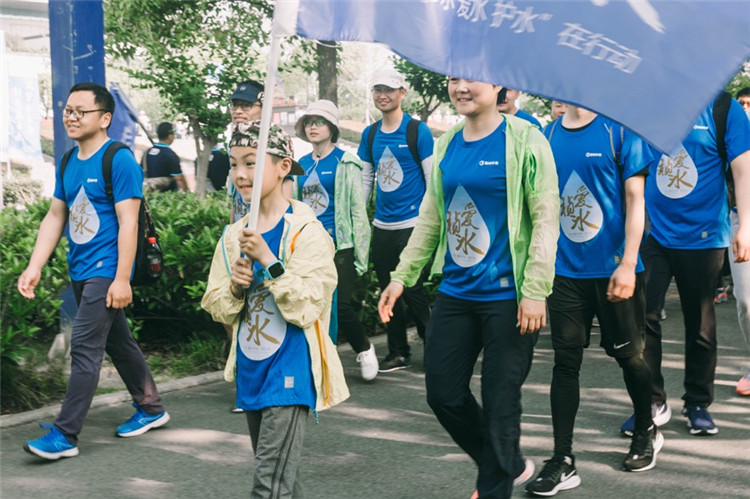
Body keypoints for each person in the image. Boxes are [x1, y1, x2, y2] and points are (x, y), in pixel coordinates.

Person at [379, 77, 559, 499]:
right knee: (443, 394)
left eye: (470, 77)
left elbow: (546, 218)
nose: (460, 87)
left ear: (496, 85)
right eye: (453, 79)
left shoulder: (525, 139)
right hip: (457, 293)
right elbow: (431, 219)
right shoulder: (447, 144)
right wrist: (401, 277)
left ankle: (494, 485)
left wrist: (536, 289)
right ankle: (506, 464)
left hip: (509, 298)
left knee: (500, 405)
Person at [18, 82, 169, 460]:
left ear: (104, 118)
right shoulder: (68, 160)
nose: (71, 117)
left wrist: (121, 278)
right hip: (81, 269)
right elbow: (56, 215)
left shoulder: (119, 159)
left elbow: (129, 222)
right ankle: (151, 407)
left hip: (107, 269)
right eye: (67, 110)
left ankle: (65, 434)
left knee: (85, 348)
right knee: (118, 341)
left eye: (80, 111)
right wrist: (35, 265)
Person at [201, 121, 349, 497]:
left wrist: (270, 261)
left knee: (268, 486)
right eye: (234, 164)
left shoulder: (307, 232)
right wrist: (235, 287)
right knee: (283, 482)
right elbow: (216, 305)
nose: (240, 174)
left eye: (251, 163)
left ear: (284, 166)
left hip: (290, 370)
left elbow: (309, 305)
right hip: (251, 368)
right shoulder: (233, 236)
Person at [525, 106, 659, 497]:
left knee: (630, 357)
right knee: (565, 362)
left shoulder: (621, 133)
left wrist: (629, 263)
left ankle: (645, 429)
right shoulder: (547, 137)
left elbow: (636, 200)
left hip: (614, 269)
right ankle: (562, 458)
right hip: (565, 273)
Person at [622, 92, 750, 435]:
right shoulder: (646, 105)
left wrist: (746, 226)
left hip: (704, 235)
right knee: (643, 316)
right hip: (654, 233)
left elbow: (743, 169)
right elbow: (633, 171)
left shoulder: (723, 108)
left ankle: (697, 402)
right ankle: (651, 401)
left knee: (701, 323)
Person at [293, 100, 378, 380]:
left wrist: (361, 253)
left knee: (340, 306)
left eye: (319, 122)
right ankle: (319, 362)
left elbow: (357, 210)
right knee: (310, 305)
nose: (313, 127)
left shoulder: (346, 162)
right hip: (308, 247)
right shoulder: (301, 165)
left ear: (332, 127)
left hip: (340, 246)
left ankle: (364, 348)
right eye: (309, 122)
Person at [358, 68, 434, 372]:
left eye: (389, 89)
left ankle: (435, 347)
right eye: (378, 89)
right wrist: (360, 217)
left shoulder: (418, 131)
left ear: (402, 92)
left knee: (412, 288)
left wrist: (431, 221)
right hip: (382, 226)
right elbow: (366, 178)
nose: (382, 95)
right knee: (387, 289)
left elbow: (432, 178)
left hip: (413, 224)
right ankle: (398, 352)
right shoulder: (370, 134)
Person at [732, 87, 750, 396]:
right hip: (740, 221)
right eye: (742, 103)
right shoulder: (732, 135)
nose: (746, 108)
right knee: (746, 299)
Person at [228, 79, 265, 223]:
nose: (238, 111)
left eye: (246, 105)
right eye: (234, 105)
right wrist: (231, 228)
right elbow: (235, 193)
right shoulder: (234, 143)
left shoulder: (274, 143)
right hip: (240, 225)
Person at [142, 122, 187, 192]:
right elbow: (179, 179)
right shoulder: (170, 155)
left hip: (149, 193)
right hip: (166, 195)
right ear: (170, 136)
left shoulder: (147, 153)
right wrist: (186, 192)